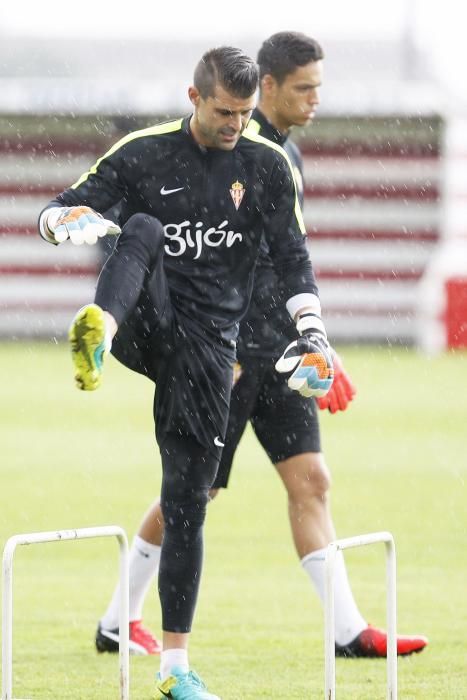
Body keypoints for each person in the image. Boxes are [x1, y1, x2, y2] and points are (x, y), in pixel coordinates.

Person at [94, 31, 428, 662]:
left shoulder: (281, 159)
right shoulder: (233, 158)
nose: (315, 100)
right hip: (232, 352)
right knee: (195, 494)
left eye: (319, 88)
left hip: (279, 351)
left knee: (312, 480)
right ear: (267, 86)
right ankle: (119, 617)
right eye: (304, 88)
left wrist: (316, 344)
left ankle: (348, 630)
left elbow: (284, 263)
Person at [38, 46, 334, 700]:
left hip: (205, 353)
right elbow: (56, 210)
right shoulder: (143, 152)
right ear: (194, 96)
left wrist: (313, 336)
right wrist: (66, 224)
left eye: (246, 113)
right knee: (139, 227)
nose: (235, 125)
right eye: (224, 111)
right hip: (143, 321)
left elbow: (292, 259)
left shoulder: (265, 166)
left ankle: (174, 669)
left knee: (188, 500)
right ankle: (97, 332)